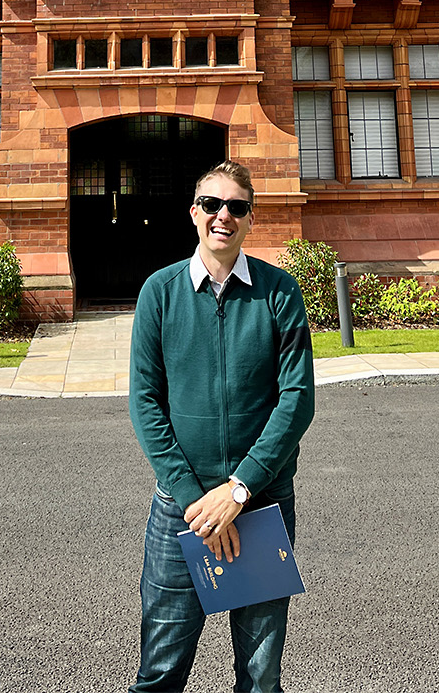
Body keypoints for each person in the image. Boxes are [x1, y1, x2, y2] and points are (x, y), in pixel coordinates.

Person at [128, 159, 316, 693]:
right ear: (194, 213)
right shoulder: (159, 293)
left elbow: (297, 400)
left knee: (260, 676)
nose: (223, 216)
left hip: (258, 502)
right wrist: (197, 500)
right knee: (160, 670)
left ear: (250, 219)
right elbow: (145, 402)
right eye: (212, 204)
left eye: (236, 207)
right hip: (181, 508)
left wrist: (237, 491)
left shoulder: (279, 292)